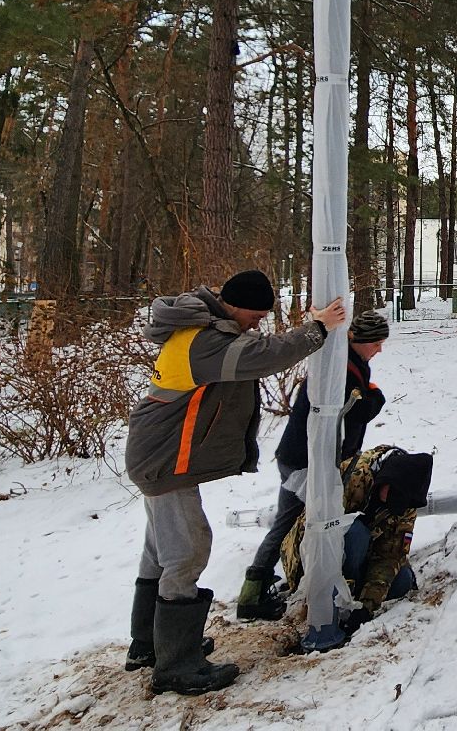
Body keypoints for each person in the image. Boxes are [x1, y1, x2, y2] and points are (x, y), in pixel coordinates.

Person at [123, 270, 345, 696]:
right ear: (236, 305)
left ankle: (150, 644)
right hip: (165, 459)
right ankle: (177, 666)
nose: (258, 322)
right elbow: (263, 354)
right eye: (257, 314)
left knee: (160, 552)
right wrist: (317, 328)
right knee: (186, 551)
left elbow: (254, 347)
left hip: (159, 454)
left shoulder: (205, 330)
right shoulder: (204, 341)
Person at [237, 308, 391, 620]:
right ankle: (322, 584)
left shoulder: (344, 359)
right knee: (327, 521)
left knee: (289, 520)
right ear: (363, 341)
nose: (379, 350)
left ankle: (255, 588)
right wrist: (376, 397)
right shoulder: (343, 367)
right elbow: (359, 409)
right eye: (377, 343)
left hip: (300, 456)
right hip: (307, 461)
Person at [278, 442, 433, 651]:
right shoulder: (354, 476)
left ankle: (352, 604)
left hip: (361, 557)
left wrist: (366, 608)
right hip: (312, 554)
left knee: (401, 580)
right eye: (393, 497)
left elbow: (390, 555)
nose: (393, 504)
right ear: (387, 481)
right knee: (356, 531)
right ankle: (335, 609)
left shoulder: (406, 503)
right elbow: (318, 533)